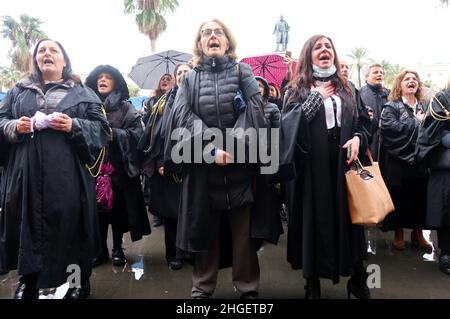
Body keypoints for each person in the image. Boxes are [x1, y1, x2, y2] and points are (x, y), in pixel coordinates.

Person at [163, 19, 275, 299]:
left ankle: (247, 288)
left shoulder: (243, 71)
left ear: (227, 41)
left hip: (240, 171)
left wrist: (235, 148)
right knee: (205, 232)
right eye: (206, 33)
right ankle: (202, 288)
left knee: (244, 237)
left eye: (218, 32)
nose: (212, 36)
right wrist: (211, 151)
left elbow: (255, 111)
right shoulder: (189, 79)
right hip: (204, 172)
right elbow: (181, 117)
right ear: (200, 44)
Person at [0, 39, 110, 299]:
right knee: (27, 226)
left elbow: (103, 131)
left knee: (71, 226)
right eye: (41, 51)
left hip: (68, 174)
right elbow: (1, 120)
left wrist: (74, 125)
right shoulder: (18, 91)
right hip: (26, 174)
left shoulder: (83, 93)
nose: (46, 54)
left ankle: (77, 282)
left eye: (53, 50)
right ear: (36, 60)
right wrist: (15, 126)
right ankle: (29, 281)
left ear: (64, 60)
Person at [280, 34, 372, 299]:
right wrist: (314, 99)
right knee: (313, 220)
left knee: (349, 219)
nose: (324, 50)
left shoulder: (348, 87)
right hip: (311, 167)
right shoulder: (296, 89)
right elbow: (288, 127)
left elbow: (364, 122)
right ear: (308, 55)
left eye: (328, 46)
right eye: (318, 47)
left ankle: (357, 279)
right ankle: (312, 283)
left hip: (343, 165)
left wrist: (357, 138)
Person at [85, 65, 151, 267]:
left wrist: (115, 134)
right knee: (97, 212)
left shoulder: (126, 107)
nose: (102, 80)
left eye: (107, 77)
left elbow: (139, 135)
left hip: (120, 170)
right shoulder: (88, 106)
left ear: (116, 83)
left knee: (118, 211)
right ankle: (100, 250)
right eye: (99, 77)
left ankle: (116, 248)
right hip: (94, 170)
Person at [139, 63, 192, 270]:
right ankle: (174, 254)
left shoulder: (200, 99)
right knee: (172, 214)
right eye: (179, 72)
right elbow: (154, 135)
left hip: (196, 166)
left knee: (192, 211)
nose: (182, 75)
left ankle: (190, 251)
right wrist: (160, 162)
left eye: (186, 71)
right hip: (169, 166)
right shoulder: (163, 103)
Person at [379, 70, 431, 252]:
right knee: (399, 198)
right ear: (399, 84)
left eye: (414, 79)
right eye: (407, 79)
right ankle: (399, 233)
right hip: (398, 163)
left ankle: (418, 234)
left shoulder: (425, 106)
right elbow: (387, 128)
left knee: (419, 198)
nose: (411, 81)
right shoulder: (391, 106)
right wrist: (415, 123)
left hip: (420, 162)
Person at [416, 75, 450, 275]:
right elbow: (432, 130)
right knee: (447, 212)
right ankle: (446, 252)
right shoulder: (442, 98)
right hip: (447, 165)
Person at [142, 73, 174, 227]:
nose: (165, 81)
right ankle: (157, 214)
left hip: (168, 146)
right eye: (162, 79)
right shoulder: (152, 101)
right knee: (154, 182)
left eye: (168, 79)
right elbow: (146, 121)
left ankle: (167, 213)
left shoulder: (176, 98)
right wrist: (153, 101)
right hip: (154, 148)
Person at [359, 64, 390, 160]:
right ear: (367, 77)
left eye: (381, 72)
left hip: (387, 142)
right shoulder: (360, 94)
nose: (379, 74)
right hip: (369, 143)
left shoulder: (389, 93)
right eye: (375, 72)